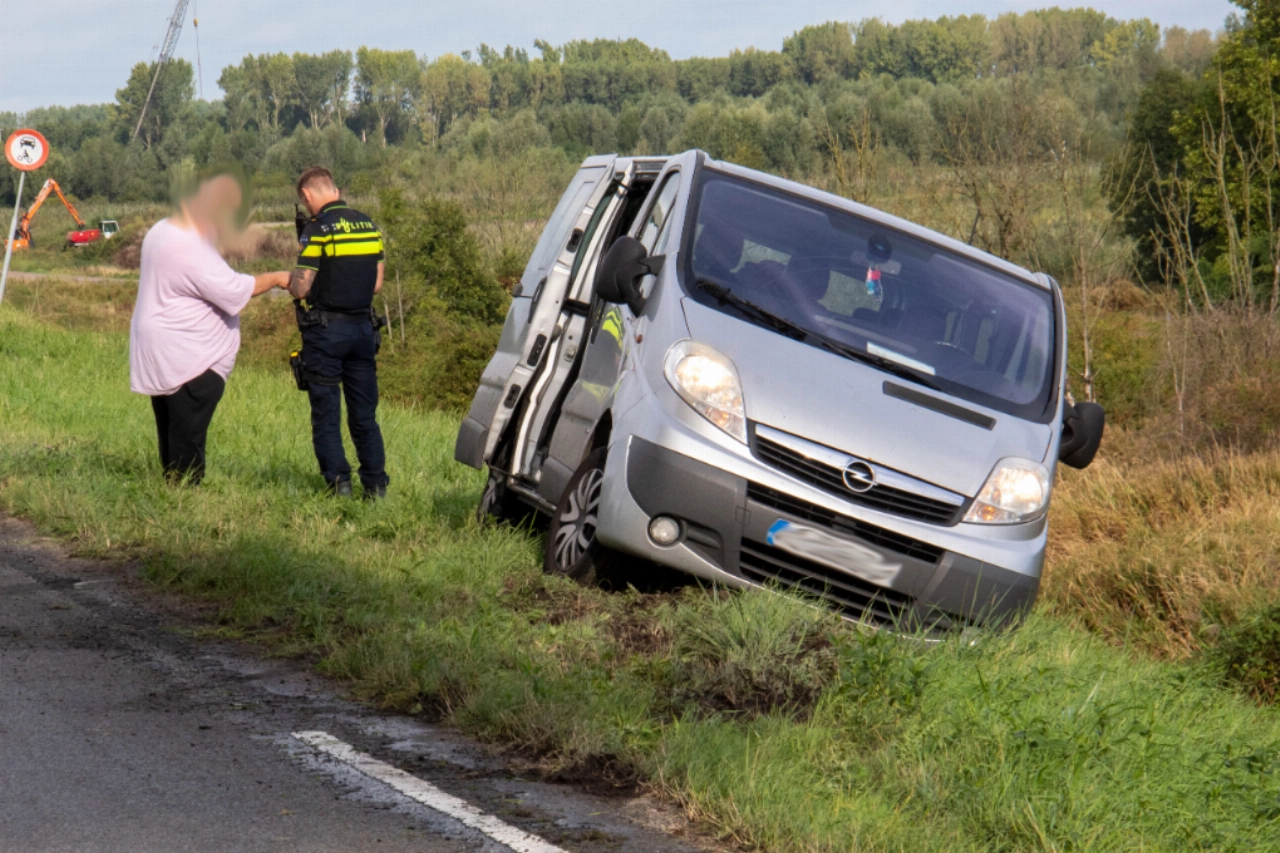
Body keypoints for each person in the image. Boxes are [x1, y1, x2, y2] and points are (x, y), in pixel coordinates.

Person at [130, 175, 290, 484]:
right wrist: (279, 277)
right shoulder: (190, 245)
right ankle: (185, 497)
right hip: (189, 356)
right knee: (187, 434)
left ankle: (172, 490)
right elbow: (233, 290)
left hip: (162, 350)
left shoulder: (162, 229)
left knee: (171, 429)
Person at [289, 167, 389, 499]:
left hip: (326, 332)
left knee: (327, 413)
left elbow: (301, 288)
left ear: (307, 196)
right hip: (363, 331)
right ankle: (375, 487)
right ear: (334, 190)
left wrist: (288, 279)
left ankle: (339, 486)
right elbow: (376, 284)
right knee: (364, 415)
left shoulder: (317, 229)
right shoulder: (368, 225)